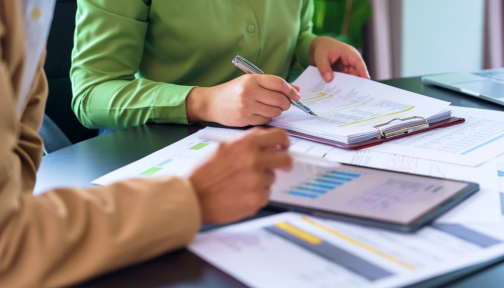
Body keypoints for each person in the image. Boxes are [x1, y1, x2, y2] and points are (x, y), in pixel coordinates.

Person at [0, 1, 292, 287]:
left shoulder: (29, 11)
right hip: (147, 170)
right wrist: (191, 198)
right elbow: (8, 243)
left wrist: (310, 45)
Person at [70, 0, 370, 131]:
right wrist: (205, 102)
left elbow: (294, 32)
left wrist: (312, 46)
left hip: (272, 138)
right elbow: (91, 93)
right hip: (157, 146)